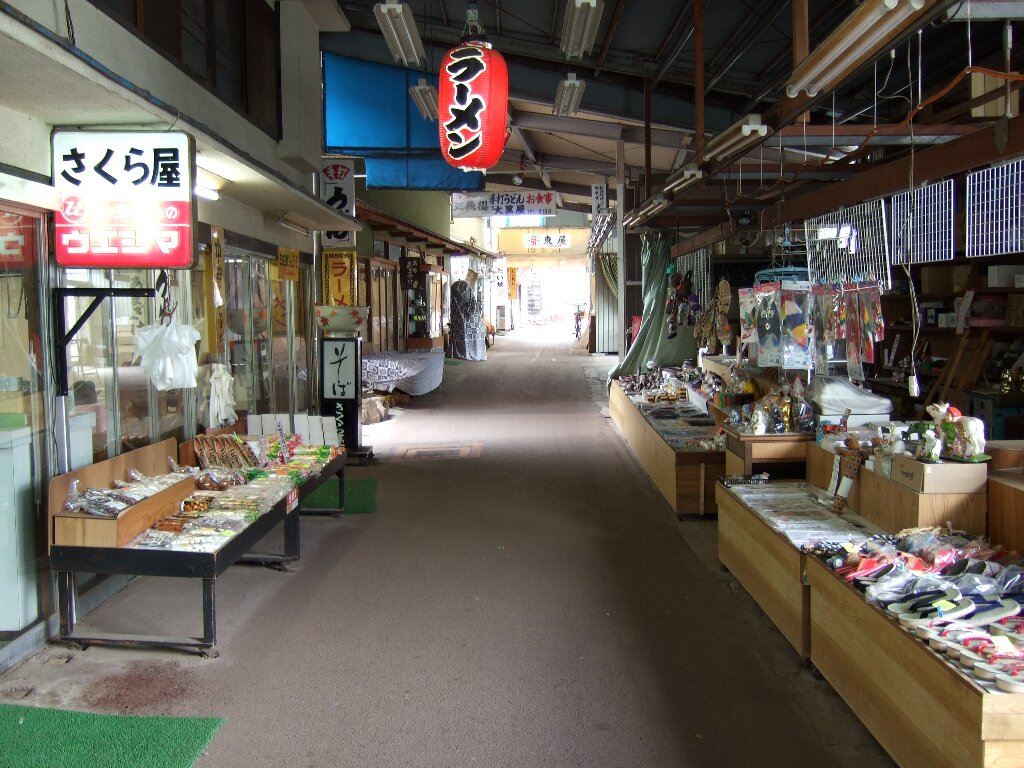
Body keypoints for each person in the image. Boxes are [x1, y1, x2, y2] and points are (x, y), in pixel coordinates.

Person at [449, 280, 487, 361]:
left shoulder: (456, 308)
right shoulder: (473, 307)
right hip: (475, 328)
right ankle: (476, 353)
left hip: (463, 325)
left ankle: (463, 353)